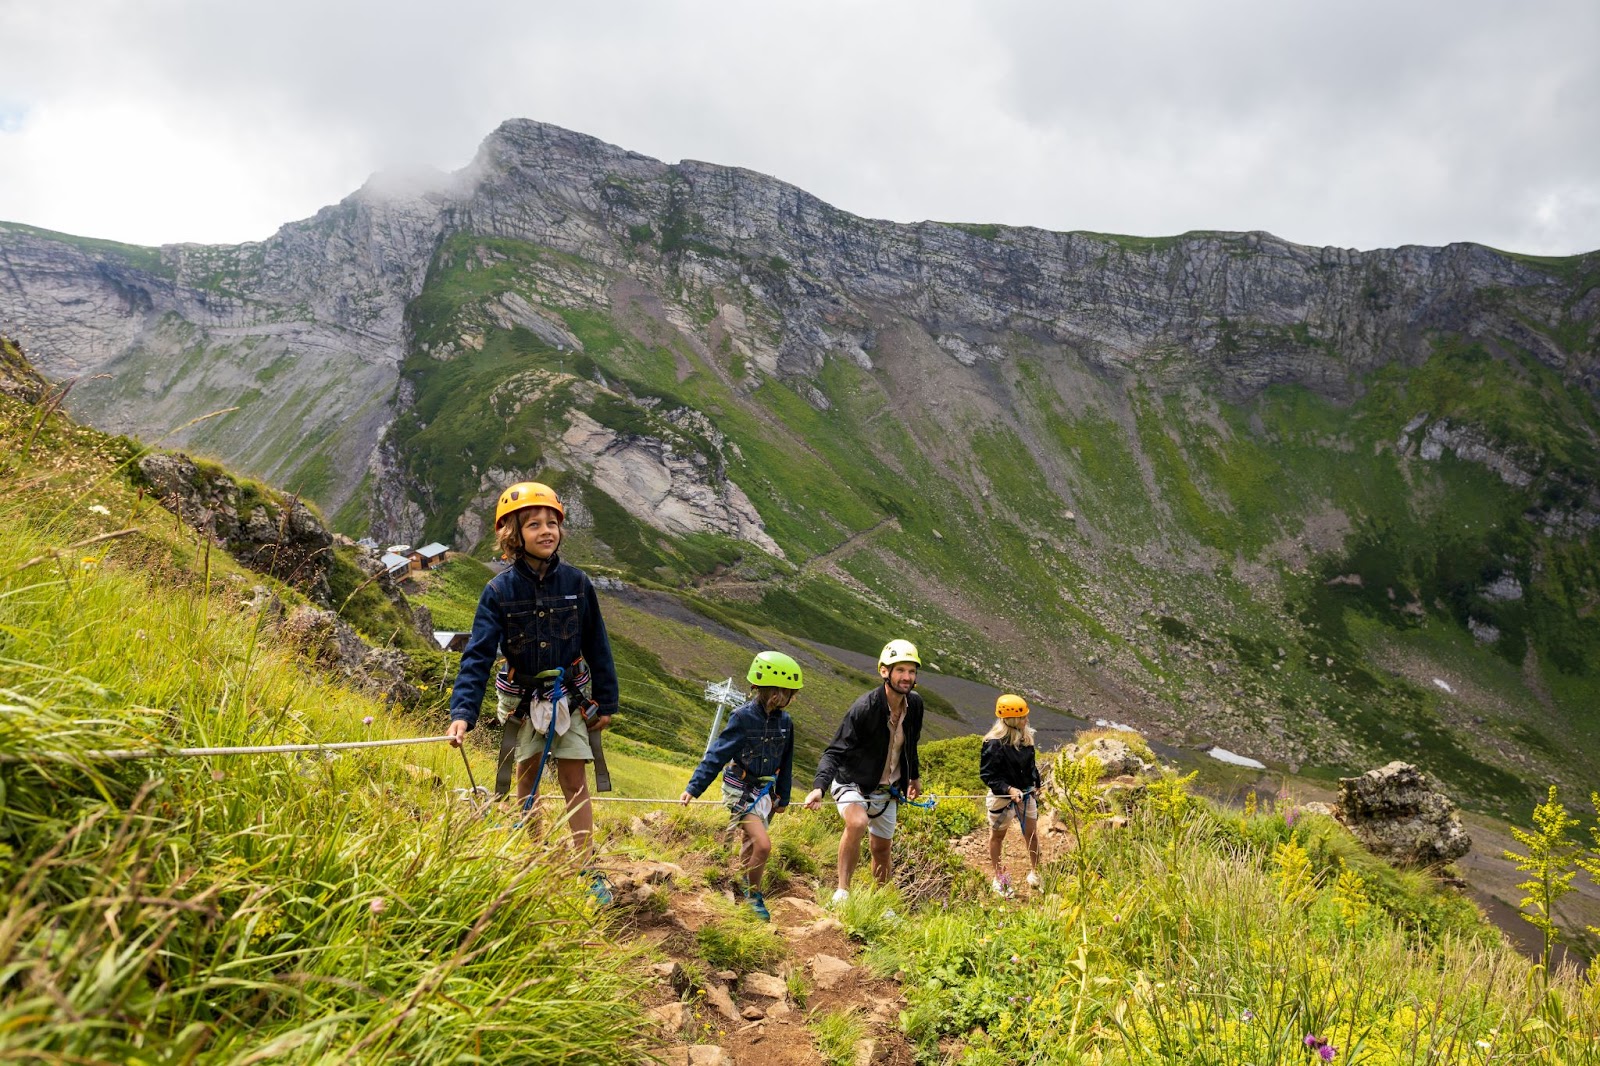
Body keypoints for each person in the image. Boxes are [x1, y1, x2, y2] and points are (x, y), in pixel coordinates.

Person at [445, 481, 619, 900]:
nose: (546, 531)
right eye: (534, 524)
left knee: (574, 778)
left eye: (552, 523)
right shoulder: (498, 592)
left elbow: (598, 645)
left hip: (570, 697)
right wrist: (462, 713)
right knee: (527, 778)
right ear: (513, 536)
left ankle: (586, 865)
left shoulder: (578, 584)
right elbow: (479, 656)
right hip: (522, 701)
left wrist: (607, 701)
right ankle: (533, 857)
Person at [679, 651, 804, 921]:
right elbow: (717, 754)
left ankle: (740, 882)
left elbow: (787, 760)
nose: (793, 698)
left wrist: (783, 797)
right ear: (776, 692)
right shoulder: (742, 718)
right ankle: (753, 895)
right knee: (763, 844)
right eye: (790, 692)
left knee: (751, 843)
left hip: (765, 792)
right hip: (740, 789)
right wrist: (693, 788)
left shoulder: (786, 722)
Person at [803, 638, 925, 904]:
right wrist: (818, 788)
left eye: (912, 671)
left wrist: (913, 777)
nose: (907, 677)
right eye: (901, 670)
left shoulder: (915, 705)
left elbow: (910, 743)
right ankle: (842, 892)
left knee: (882, 848)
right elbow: (834, 751)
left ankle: (881, 903)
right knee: (857, 822)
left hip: (887, 788)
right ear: (885, 671)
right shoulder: (864, 708)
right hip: (852, 782)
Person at [980, 693, 1043, 896]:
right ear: (1014, 720)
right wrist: (1008, 789)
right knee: (997, 836)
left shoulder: (1026, 738)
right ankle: (999, 879)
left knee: (1032, 834)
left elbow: (1030, 766)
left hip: (1025, 793)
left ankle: (1036, 873)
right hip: (1002, 797)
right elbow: (989, 776)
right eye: (1023, 717)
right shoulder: (993, 744)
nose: (1027, 720)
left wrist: (1036, 783)